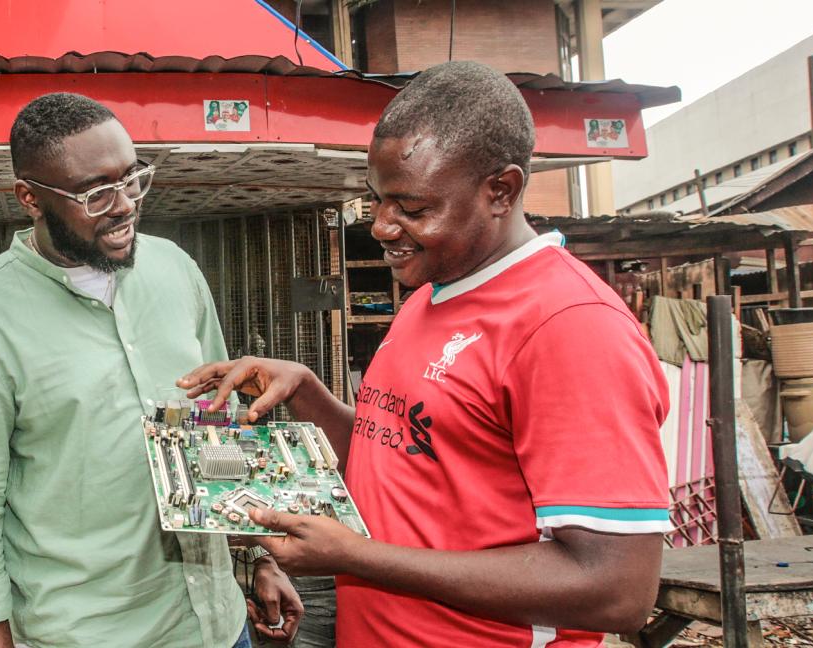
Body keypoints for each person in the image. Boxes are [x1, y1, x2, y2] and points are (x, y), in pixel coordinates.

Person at [178, 61, 671, 648]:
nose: (383, 226)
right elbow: (404, 455)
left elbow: (617, 589)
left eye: (412, 209)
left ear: (501, 191)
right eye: (378, 201)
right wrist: (310, 394)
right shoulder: (433, 293)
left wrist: (360, 559)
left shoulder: (567, 328)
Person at [0, 92, 302, 648]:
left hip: (218, 624)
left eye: (131, 179)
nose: (124, 204)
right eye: (95, 192)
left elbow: (219, 434)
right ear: (30, 198)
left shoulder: (176, 270)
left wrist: (259, 556)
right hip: (88, 634)